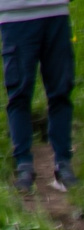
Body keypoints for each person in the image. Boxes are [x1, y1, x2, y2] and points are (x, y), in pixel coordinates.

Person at [1, 0, 71, 193]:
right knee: (19, 94)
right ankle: (24, 165)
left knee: (60, 91)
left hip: (56, 12)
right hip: (15, 16)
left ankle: (63, 164)